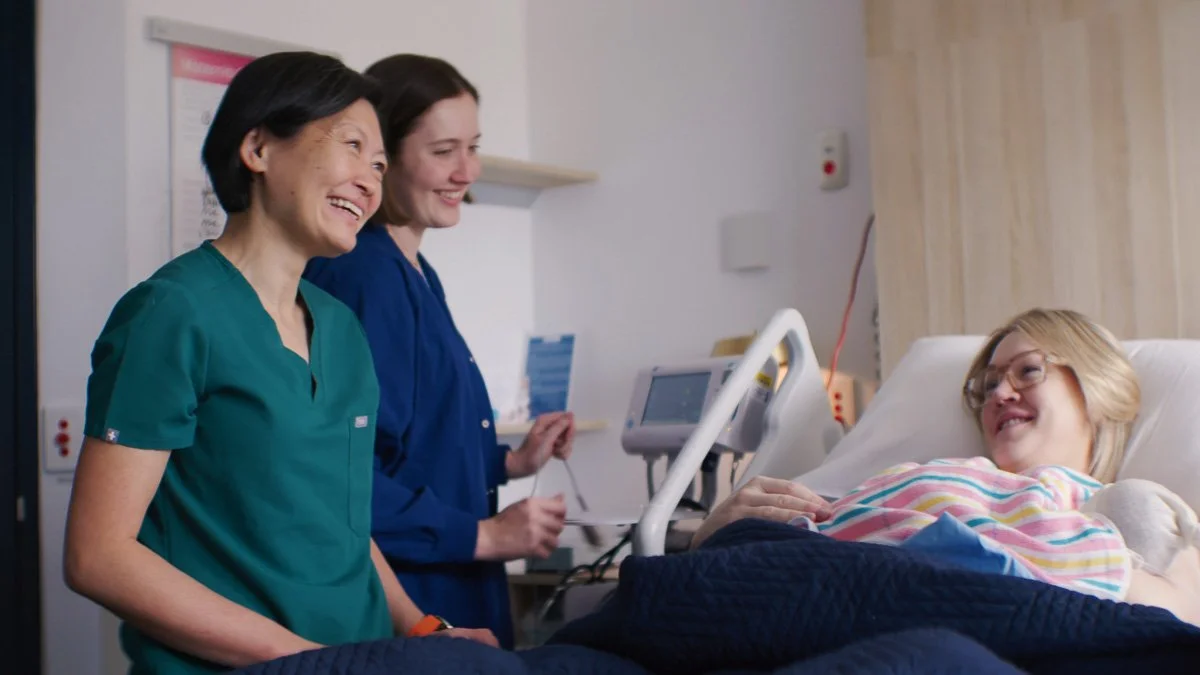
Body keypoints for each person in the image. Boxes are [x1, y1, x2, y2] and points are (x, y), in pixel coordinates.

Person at [63, 52, 495, 675]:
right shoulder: (171, 314)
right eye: (352, 147)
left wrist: (423, 629)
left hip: (361, 660)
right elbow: (97, 556)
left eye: (379, 164)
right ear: (259, 148)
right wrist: (305, 661)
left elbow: (343, 523)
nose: (370, 182)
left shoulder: (341, 328)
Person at [303, 54, 574, 650]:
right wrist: (484, 536)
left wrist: (509, 462)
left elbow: (414, 443)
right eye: (443, 151)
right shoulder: (366, 277)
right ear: (384, 157)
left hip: (452, 587)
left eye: (472, 148)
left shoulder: (414, 271)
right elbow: (342, 475)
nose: (466, 171)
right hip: (412, 600)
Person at [690, 308, 1200, 622]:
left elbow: (1177, 617)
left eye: (1028, 371)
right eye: (988, 385)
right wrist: (711, 535)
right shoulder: (918, 474)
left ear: (1099, 387)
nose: (999, 393)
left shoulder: (1116, 506)